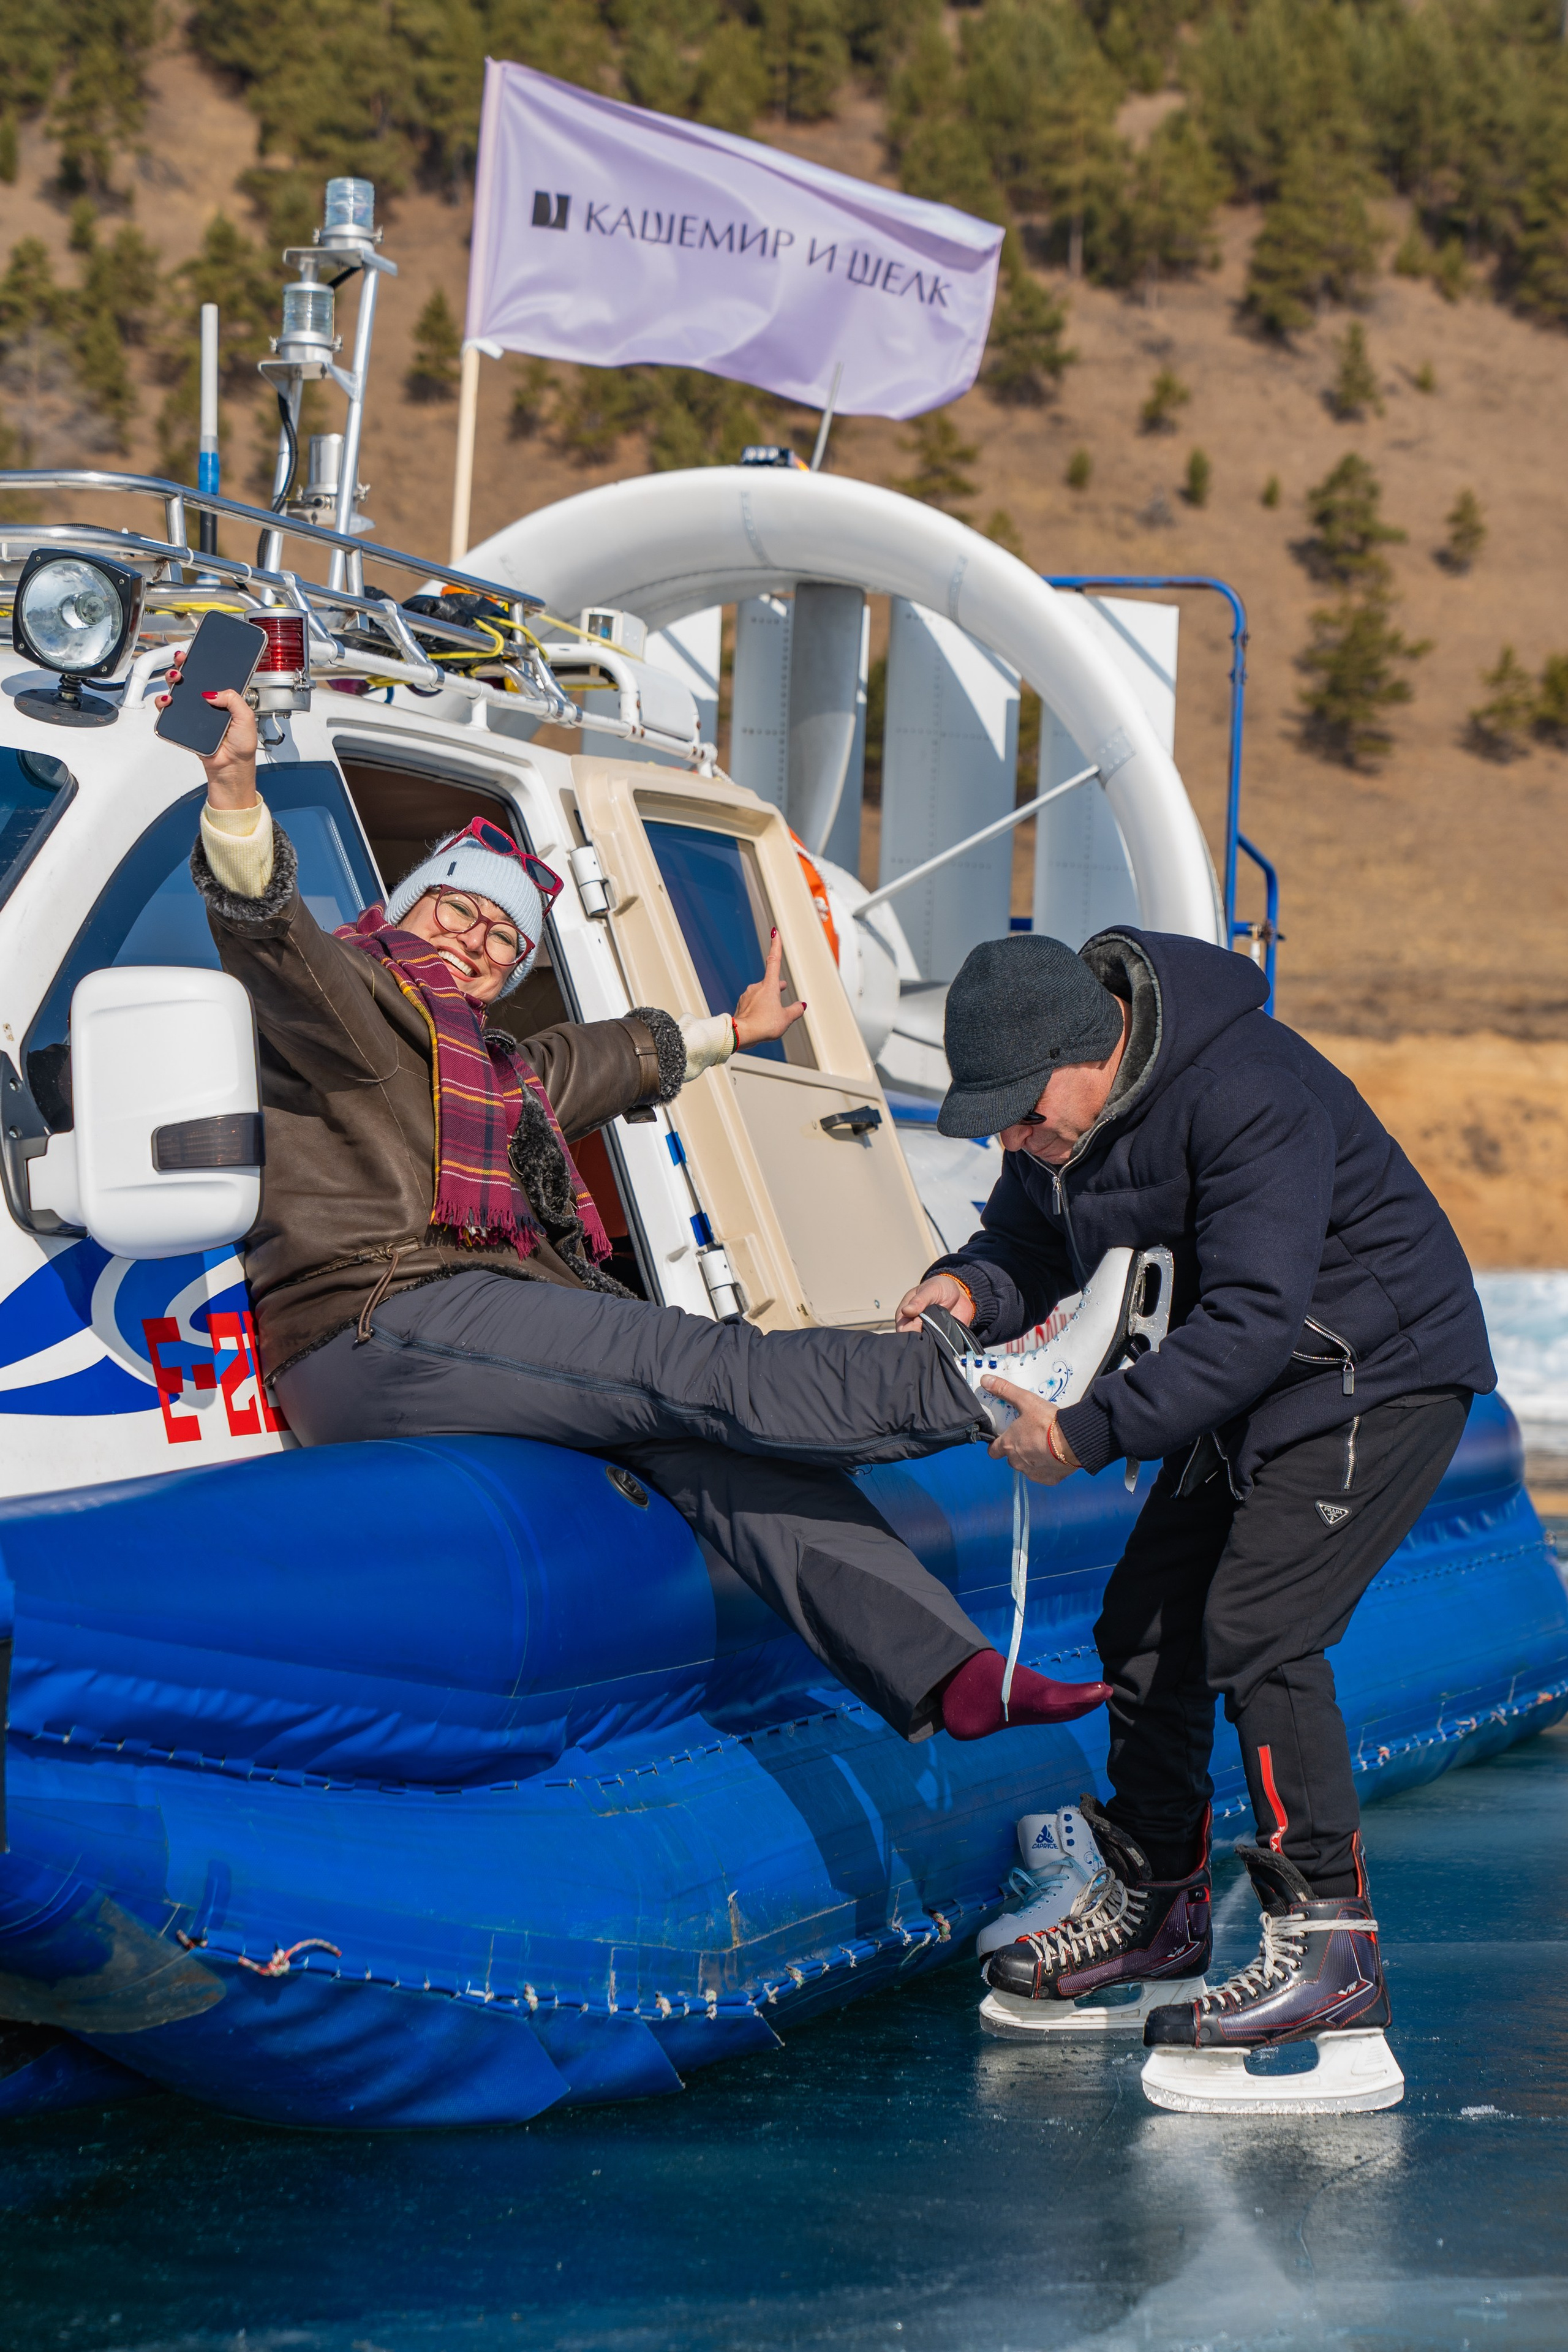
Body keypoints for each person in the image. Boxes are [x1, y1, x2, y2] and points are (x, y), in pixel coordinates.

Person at [158, 659, 1111, 1748]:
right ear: (411, 905)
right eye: (460, 912)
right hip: (381, 1317)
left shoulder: (492, 1071)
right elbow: (268, 935)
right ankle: (980, 1386)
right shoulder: (354, 998)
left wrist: (733, 1034)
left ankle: (951, 1673)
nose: (476, 944)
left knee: (720, 1451)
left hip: (454, 1326)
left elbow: (599, 1063)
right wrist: (235, 795)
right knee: (696, 1360)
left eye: (503, 940)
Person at [896, 929, 1496, 2060]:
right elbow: (1027, 1240)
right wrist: (965, 1290)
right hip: (1255, 1385)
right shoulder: (1060, 1122)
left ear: (1094, 1049)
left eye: (1025, 1112)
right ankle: (1160, 1908)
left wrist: (1083, 1431)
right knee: (1143, 1622)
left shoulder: (1246, 1091)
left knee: (1262, 1629)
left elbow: (1251, 1322)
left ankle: (1331, 1947)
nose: (1020, 1138)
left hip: (1376, 1372)